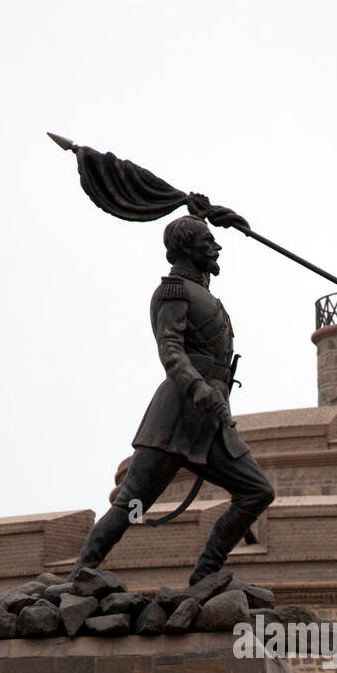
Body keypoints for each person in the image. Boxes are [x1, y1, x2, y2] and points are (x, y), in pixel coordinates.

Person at [71, 215, 274, 584]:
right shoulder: (173, 292)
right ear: (186, 248)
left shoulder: (205, 294)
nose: (217, 247)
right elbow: (171, 352)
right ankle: (81, 572)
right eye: (208, 241)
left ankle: (204, 576)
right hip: (177, 416)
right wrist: (198, 389)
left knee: (257, 491)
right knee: (132, 505)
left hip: (210, 422)